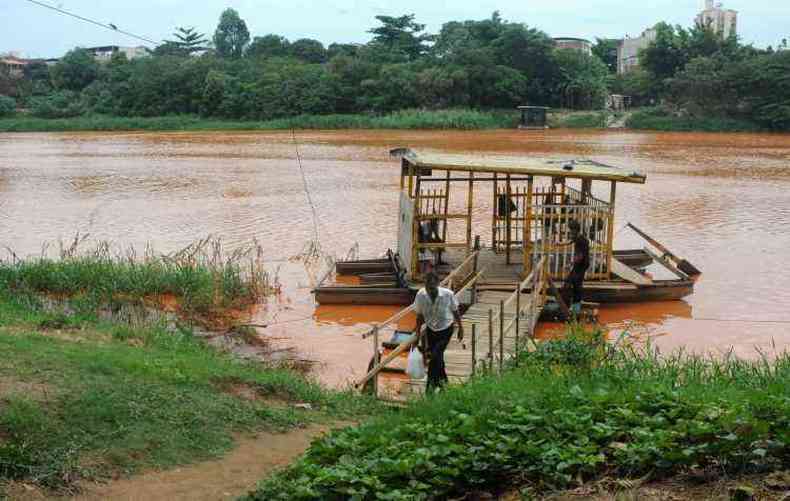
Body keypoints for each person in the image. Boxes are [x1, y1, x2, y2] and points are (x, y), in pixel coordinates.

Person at [413, 271, 464, 394]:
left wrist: (461, 328)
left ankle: (429, 388)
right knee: (438, 357)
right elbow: (419, 316)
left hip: (446, 329)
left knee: (435, 356)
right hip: (431, 330)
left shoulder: (448, 294)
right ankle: (444, 382)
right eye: (427, 287)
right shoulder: (421, 295)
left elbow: (455, 311)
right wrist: (417, 334)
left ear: (437, 284)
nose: (429, 290)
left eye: (432, 287)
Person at [562, 220, 589, 317]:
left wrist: (570, 263)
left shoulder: (581, 241)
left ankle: (576, 309)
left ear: (575, 230)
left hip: (582, 265)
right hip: (579, 264)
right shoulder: (577, 237)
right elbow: (569, 242)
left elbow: (580, 256)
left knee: (575, 284)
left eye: (570, 230)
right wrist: (559, 244)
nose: (569, 233)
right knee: (570, 282)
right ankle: (573, 305)